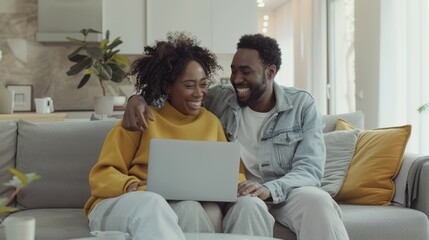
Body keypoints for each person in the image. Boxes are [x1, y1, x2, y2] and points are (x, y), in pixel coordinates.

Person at [122, 33, 350, 240]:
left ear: (270, 72)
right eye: (233, 70)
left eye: (245, 71)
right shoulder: (220, 99)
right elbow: (171, 95)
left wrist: (271, 189)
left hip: (285, 191)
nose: (236, 78)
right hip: (236, 193)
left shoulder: (301, 104)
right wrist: (135, 99)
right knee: (246, 207)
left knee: (318, 202)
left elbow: (310, 168)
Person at [84, 32, 246, 240]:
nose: (199, 93)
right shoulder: (141, 118)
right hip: (127, 201)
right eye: (189, 85)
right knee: (161, 203)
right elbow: (101, 175)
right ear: (168, 86)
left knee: (191, 208)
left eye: (203, 84)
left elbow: (230, 171)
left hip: (176, 204)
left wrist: (240, 183)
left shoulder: (211, 122)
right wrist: (131, 185)